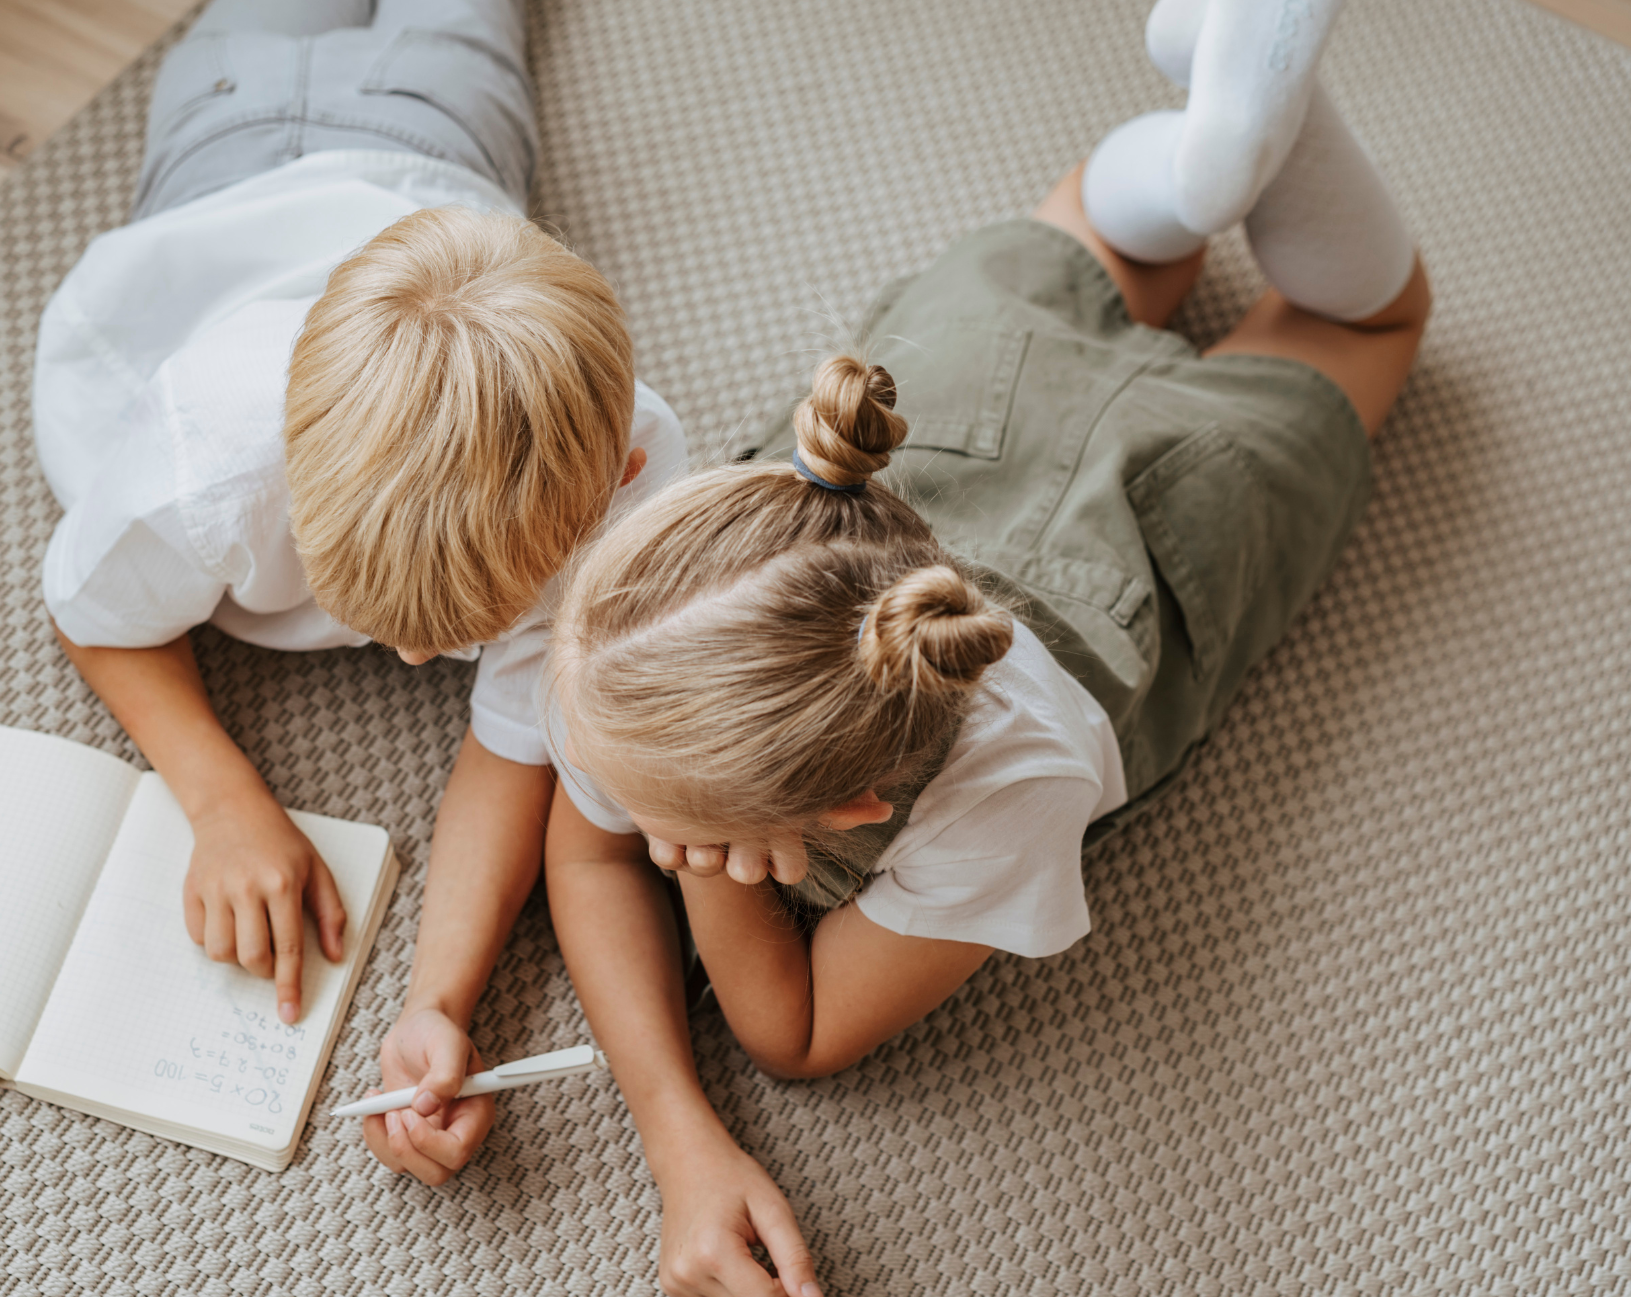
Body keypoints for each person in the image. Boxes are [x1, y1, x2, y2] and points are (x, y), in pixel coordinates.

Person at [536, 7, 1432, 1294]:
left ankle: (1242, 153)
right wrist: (679, 1136)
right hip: (946, 420)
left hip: (1148, 527)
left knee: (1368, 325)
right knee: (1089, 237)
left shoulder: (1014, 787)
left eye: (664, 816)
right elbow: (582, 845)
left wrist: (708, 873)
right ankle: (1203, 165)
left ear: (847, 808)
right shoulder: (642, 629)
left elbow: (787, 1030)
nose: (605, 800)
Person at [30, 0, 686, 1183]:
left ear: (617, 481)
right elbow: (91, 612)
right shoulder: (211, 461)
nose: (419, 667)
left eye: (457, 635)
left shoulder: (627, 475)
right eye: (384, 624)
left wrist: (440, 997)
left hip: (440, 130)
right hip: (225, 137)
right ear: (285, 482)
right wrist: (223, 797)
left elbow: (515, 743)